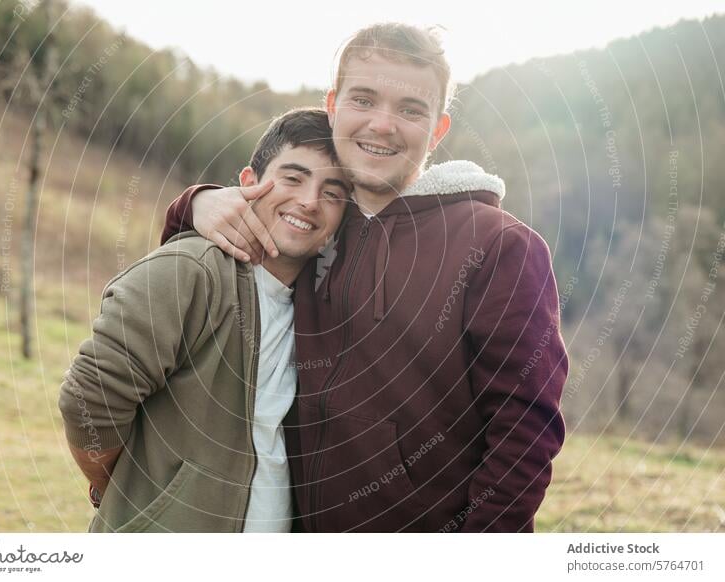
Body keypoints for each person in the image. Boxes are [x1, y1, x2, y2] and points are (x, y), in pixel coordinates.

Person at [161, 23, 568, 532]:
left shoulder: (500, 246)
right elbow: (189, 251)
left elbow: (525, 433)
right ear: (333, 106)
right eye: (364, 99)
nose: (382, 124)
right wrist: (197, 202)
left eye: (411, 110)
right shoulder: (313, 223)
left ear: (437, 130)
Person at [59, 108, 350, 532]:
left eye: (333, 191)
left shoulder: (324, 306)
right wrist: (125, 489)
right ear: (247, 183)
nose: (309, 200)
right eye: (292, 177)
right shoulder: (191, 271)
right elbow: (88, 397)